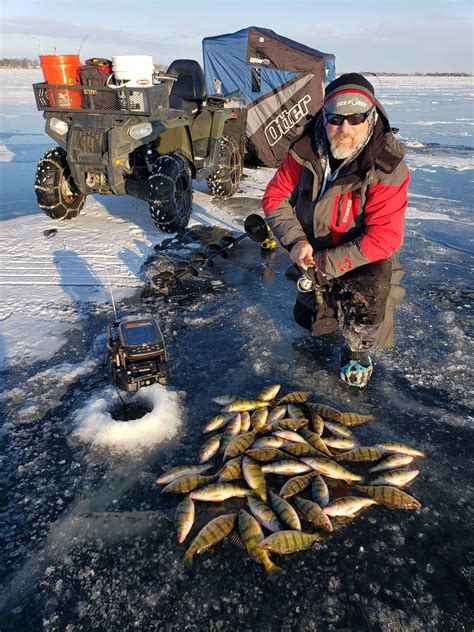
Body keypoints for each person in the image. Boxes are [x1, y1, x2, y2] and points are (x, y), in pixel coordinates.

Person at [262, 73, 409, 387]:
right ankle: (323, 312)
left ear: (370, 119)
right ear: (324, 119)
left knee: (368, 299)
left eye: (355, 118)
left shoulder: (387, 165)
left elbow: (384, 237)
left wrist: (328, 264)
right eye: (336, 119)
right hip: (311, 250)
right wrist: (296, 242)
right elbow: (275, 197)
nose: (345, 128)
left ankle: (358, 350)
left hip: (364, 257)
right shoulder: (303, 151)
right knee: (309, 318)